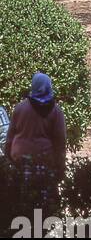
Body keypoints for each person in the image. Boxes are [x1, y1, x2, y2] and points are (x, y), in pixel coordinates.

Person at [3, 72, 67, 217]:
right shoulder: (56, 112)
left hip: (20, 161)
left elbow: (10, 136)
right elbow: (60, 142)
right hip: (44, 162)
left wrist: (8, 157)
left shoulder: (20, 108)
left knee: (22, 203)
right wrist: (60, 166)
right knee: (44, 207)